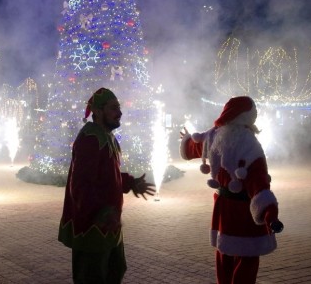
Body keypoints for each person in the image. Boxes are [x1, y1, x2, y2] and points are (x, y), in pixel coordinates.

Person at [180, 96, 282, 284]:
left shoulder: (215, 134)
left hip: (223, 210)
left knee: (224, 254)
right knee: (248, 258)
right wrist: (270, 214)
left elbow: (194, 147)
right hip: (245, 212)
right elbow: (258, 183)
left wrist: (186, 141)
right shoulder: (250, 145)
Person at [58, 87, 155, 284]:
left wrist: (131, 182)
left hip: (109, 227)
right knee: (93, 277)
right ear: (98, 111)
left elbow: (107, 176)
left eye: (118, 108)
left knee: (115, 271)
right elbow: (81, 185)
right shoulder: (90, 139)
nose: (119, 113)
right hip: (92, 228)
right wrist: (101, 213)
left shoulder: (107, 137)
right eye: (113, 108)